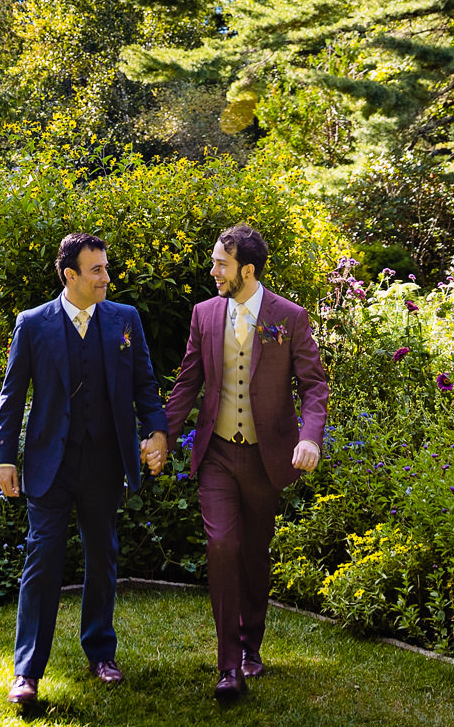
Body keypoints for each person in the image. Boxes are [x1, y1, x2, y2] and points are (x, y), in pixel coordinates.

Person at [154, 222, 329, 700]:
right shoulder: (205, 314)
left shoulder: (288, 317)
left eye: (221, 264)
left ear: (246, 270)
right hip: (217, 456)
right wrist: (162, 437)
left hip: (265, 457)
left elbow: (314, 385)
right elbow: (188, 383)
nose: (213, 271)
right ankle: (228, 667)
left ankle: (252, 646)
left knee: (254, 554)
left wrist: (310, 437)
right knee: (223, 547)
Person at [0, 232, 169, 707]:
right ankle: (27, 672)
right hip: (51, 463)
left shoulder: (124, 320)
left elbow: (145, 384)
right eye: (97, 271)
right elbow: (12, 396)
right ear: (70, 276)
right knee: (42, 562)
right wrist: (5, 456)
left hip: (105, 462)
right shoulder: (32, 325)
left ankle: (101, 653)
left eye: (106, 268)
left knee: (103, 557)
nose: (106, 278)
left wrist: (157, 430)